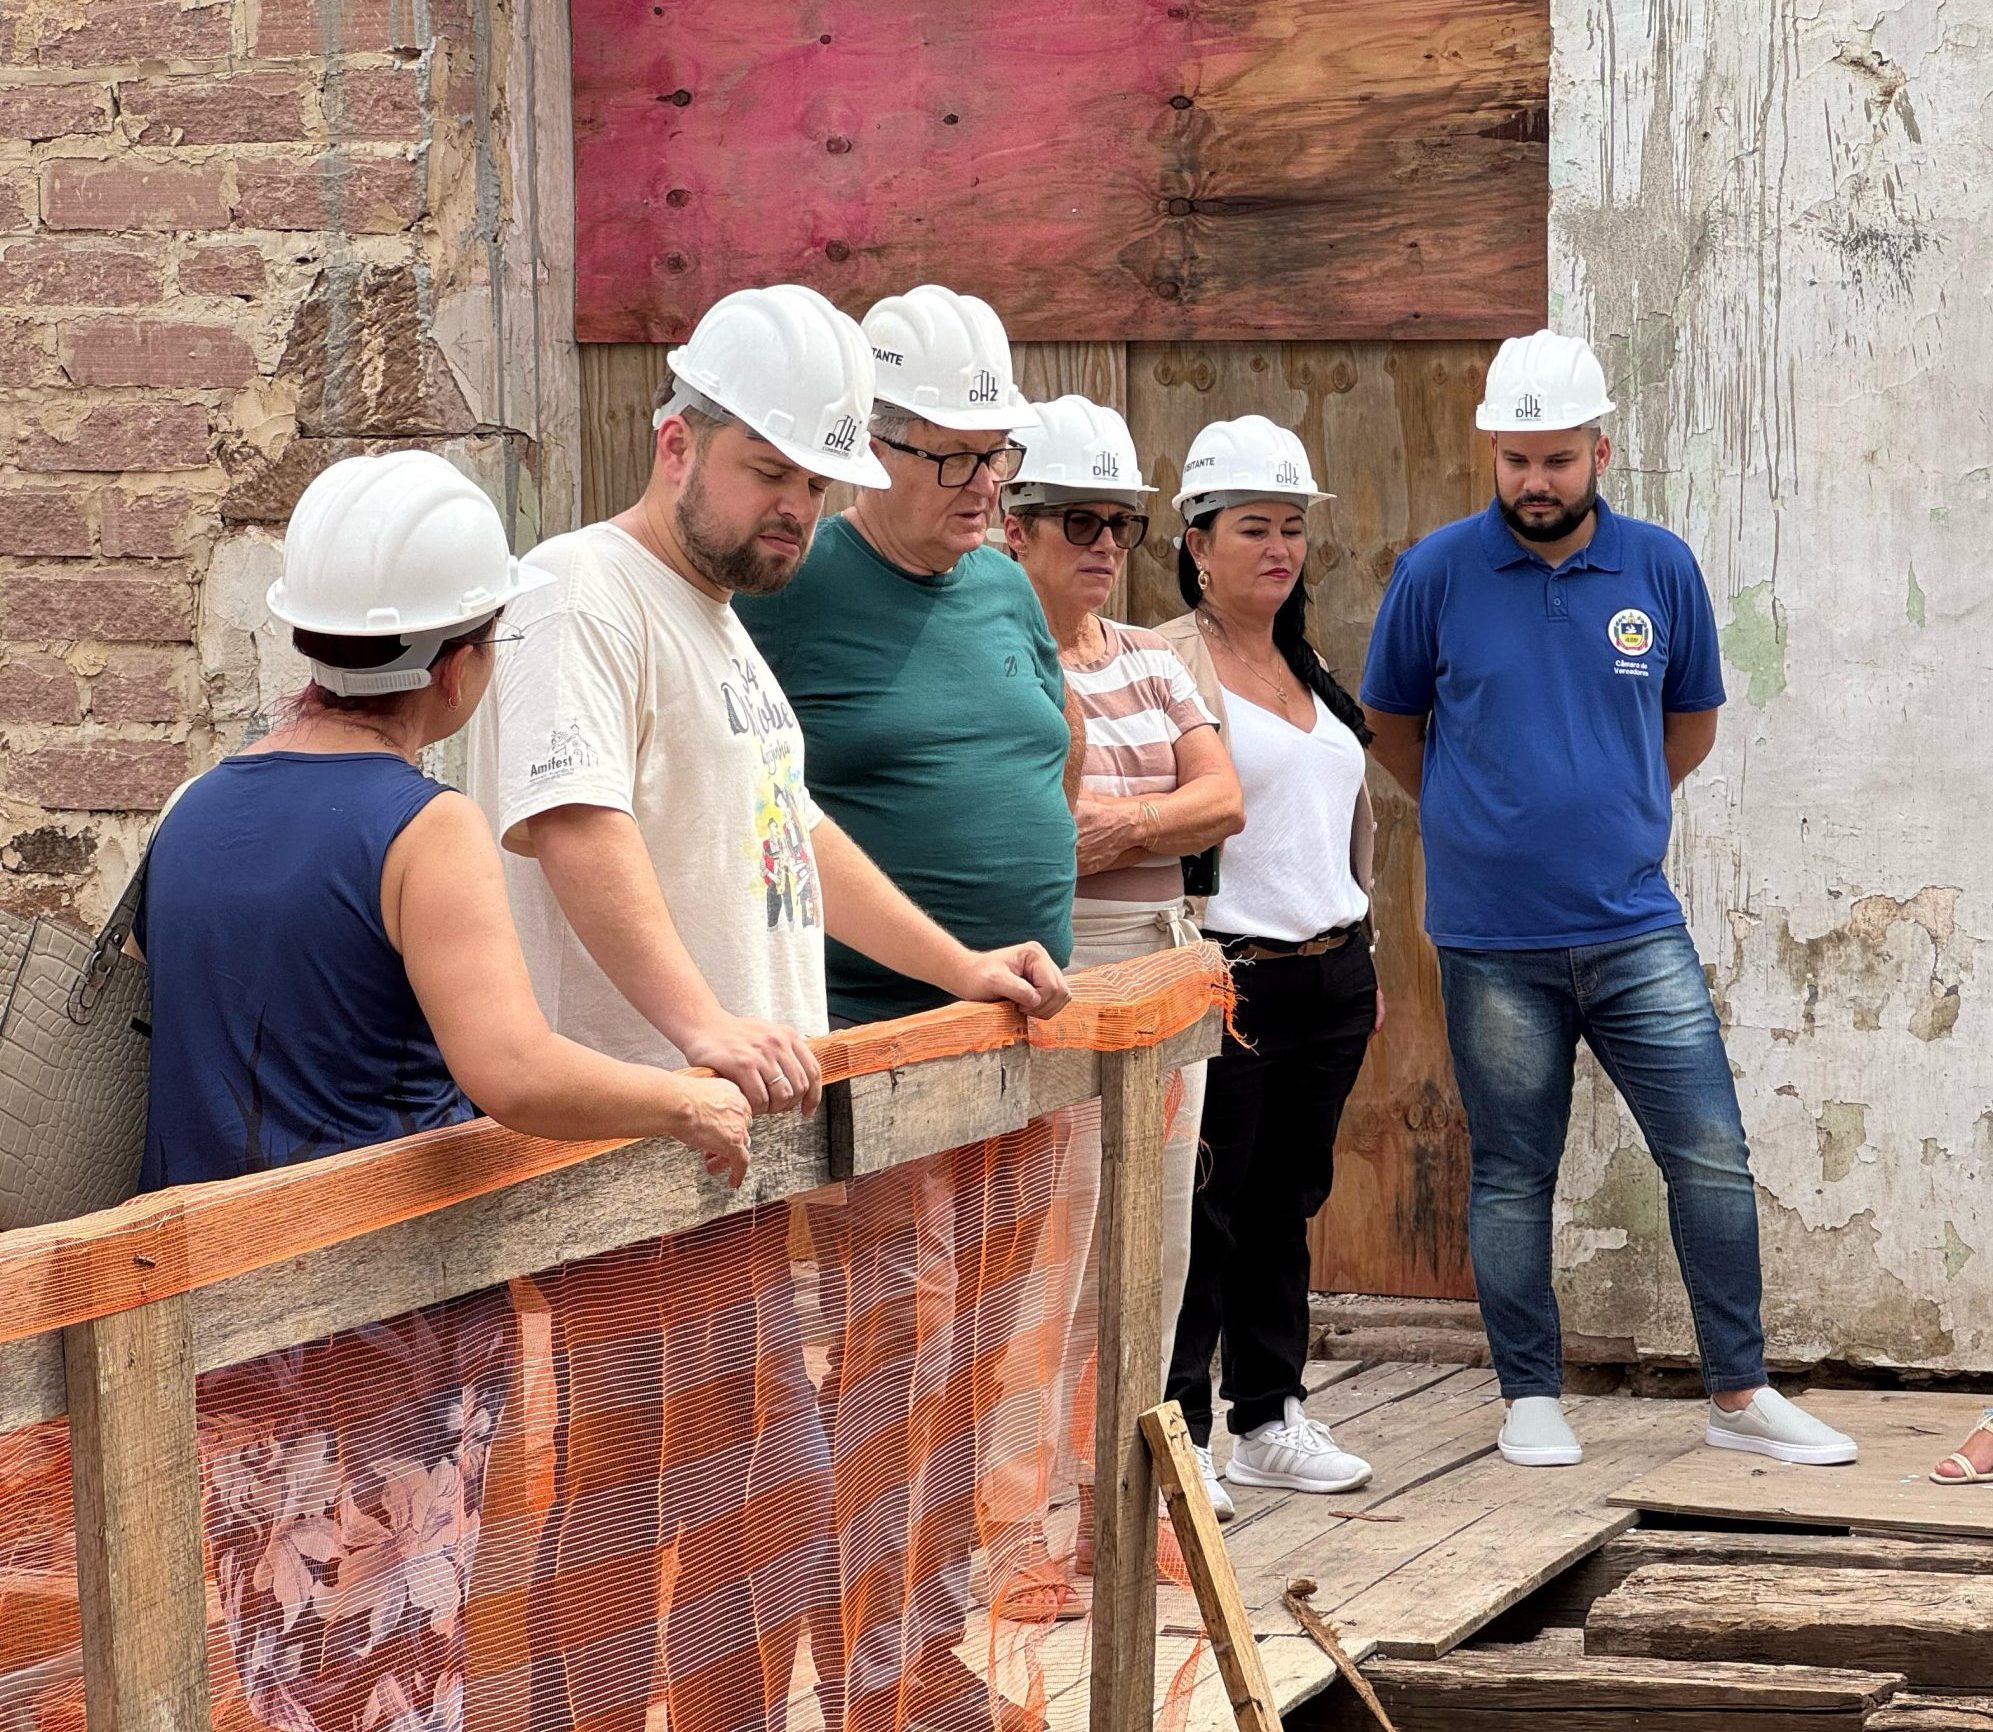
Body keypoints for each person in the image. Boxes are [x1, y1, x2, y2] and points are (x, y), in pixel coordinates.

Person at [470, 283, 1068, 1732]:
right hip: (631, 1149)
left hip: (726, 1156)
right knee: (629, 1508)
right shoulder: (572, 593)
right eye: (770, 473)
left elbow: (795, 837)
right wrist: (698, 1029)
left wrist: (961, 967)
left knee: (750, 1515)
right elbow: (572, 825)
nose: (794, 509)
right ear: (675, 439)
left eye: (815, 483)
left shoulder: (726, 629)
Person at [131, 450, 753, 1732]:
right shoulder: (423, 826)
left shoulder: (194, 804)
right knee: (391, 1658)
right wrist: (681, 1099)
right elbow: (511, 1068)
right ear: (462, 661)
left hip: (211, 1312)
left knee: (272, 1649)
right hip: (373, 1320)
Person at [1360, 328, 1857, 1469]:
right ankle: (1529, 1396)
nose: (1536, 481)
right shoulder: (1436, 570)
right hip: (1490, 936)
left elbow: (1687, 725)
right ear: (1493, 453)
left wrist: (1609, 805)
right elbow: (1392, 726)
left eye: (1558, 459)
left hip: (1634, 925)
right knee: (1511, 1170)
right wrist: (1476, 819)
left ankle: (1739, 1397)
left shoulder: (1659, 567)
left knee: (1711, 1155)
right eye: (1515, 459)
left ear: (1600, 449)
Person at [733, 284, 1073, 1732]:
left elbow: (1039, 750)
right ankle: (854, 1670)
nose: (985, 489)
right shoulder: (793, 589)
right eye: (952, 459)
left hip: (1018, 1044)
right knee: (886, 1361)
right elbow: (757, 799)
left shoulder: (1000, 584)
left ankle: (920, 1652)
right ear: (872, 449)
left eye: (1000, 458)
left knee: (972, 1368)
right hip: (873, 1047)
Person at [983, 396, 1242, 1618]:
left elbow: (1222, 801)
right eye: (1077, 520)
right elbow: (1014, 835)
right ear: (1015, 527)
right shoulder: (989, 656)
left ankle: (1114, 1515)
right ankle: (1008, 1530)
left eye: (1121, 524)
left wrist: (1119, 828)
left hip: (1159, 967)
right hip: (1055, 965)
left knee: (1155, 1253)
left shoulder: (1150, 653)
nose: (1102, 545)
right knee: (1045, 1258)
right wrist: (1130, 830)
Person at [1153, 416, 1383, 1520]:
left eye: (1292, 528)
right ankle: (1180, 1430)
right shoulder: (1162, 661)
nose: (1277, 548)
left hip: (1330, 967)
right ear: (1197, 539)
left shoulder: (1307, 660)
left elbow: (1341, 817)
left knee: (1286, 1199)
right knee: (1205, 1209)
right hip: (1224, 975)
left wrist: (1362, 944)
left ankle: (1267, 1416)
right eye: (1252, 527)